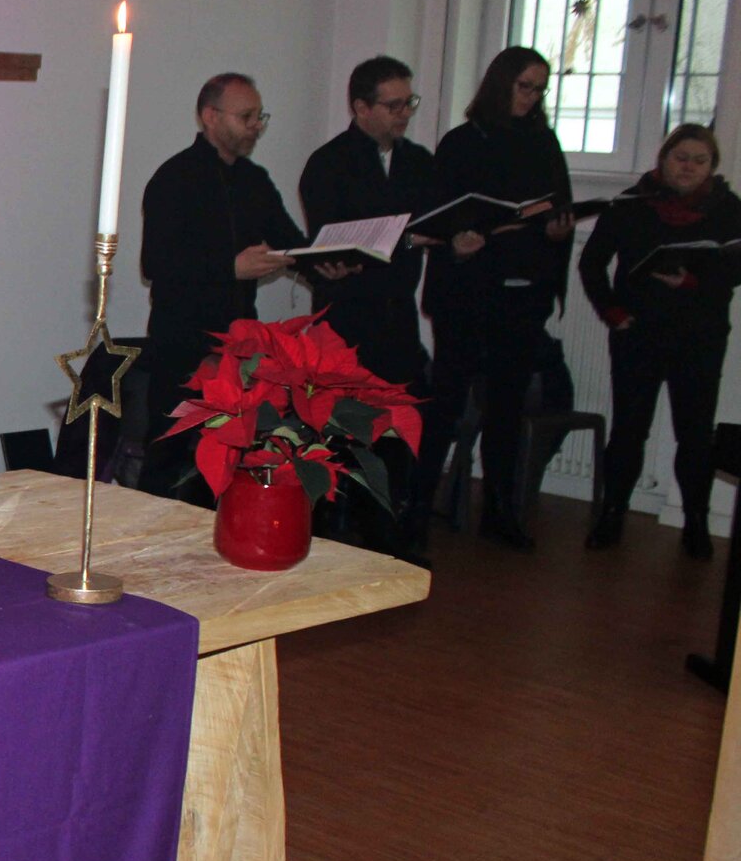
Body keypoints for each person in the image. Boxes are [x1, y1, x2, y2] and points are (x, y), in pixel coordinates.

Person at [424, 46, 575, 550]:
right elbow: (439, 218)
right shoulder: (463, 142)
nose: (531, 99)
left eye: (539, 90)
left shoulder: (544, 141)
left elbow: (561, 207)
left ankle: (501, 512)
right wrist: (461, 242)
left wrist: (556, 231)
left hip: (522, 293)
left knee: (508, 408)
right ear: (501, 84)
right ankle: (419, 508)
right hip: (467, 294)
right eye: (524, 87)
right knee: (445, 404)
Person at [298, 56, 439, 555]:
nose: (405, 113)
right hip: (347, 316)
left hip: (397, 312)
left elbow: (429, 221)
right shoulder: (329, 162)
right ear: (361, 107)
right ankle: (338, 526)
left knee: (401, 423)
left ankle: (389, 523)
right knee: (344, 428)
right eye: (393, 104)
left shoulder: (419, 161)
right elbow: (329, 237)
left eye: (409, 103)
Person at [139, 72, 303, 501]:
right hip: (183, 343)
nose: (255, 126)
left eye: (260, 117)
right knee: (169, 453)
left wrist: (332, 260)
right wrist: (229, 268)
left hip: (239, 344)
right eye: (246, 116)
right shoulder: (174, 178)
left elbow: (291, 241)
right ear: (210, 116)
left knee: (236, 453)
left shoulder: (254, 180)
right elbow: (155, 263)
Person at [579, 124, 740, 559]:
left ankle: (696, 523)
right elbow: (592, 263)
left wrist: (690, 280)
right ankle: (612, 515)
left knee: (695, 434)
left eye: (699, 160)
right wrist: (612, 312)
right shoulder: (631, 204)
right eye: (680, 157)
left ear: (711, 167)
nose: (688, 167)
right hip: (638, 333)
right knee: (630, 429)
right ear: (663, 159)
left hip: (700, 337)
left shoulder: (727, 208)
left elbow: (735, 271)